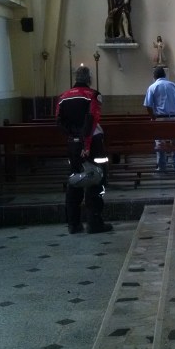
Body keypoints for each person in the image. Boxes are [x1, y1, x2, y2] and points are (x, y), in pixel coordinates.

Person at [56, 64, 113, 234]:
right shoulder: (93, 95)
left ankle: (73, 224)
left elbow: (59, 122)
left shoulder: (63, 97)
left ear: (76, 78)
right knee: (97, 179)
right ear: (89, 79)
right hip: (92, 143)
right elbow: (92, 119)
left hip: (73, 144)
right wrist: (85, 143)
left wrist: (74, 135)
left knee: (75, 179)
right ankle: (94, 222)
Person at [144, 66, 175, 173]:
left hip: (160, 119)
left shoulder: (152, 87)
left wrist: (153, 117)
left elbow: (148, 105)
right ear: (165, 75)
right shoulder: (174, 86)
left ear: (154, 76)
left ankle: (162, 167)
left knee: (160, 143)